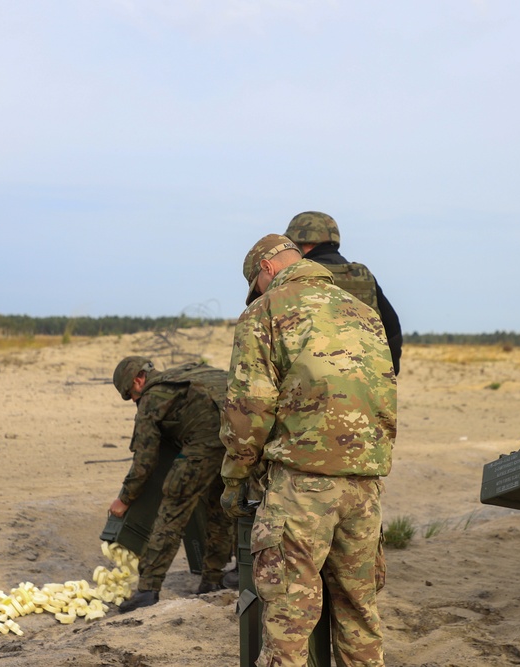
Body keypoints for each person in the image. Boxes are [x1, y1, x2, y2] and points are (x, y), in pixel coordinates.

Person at [220, 233, 397, 667]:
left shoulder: (265, 312)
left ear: (267, 269)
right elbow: (384, 397)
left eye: (257, 285)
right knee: (360, 614)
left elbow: (250, 410)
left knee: (288, 621)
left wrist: (234, 478)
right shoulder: (364, 313)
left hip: (301, 488)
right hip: (365, 486)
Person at [108, 356, 235, 612]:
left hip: (206, 442)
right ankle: (213, 578)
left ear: (138, 380)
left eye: (130, 394)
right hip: (239, 438)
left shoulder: (152, 398)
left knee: (173, 508)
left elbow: (144, 461)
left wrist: (124, 499)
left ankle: (148, 589)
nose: (134, 400)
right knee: (220, 506)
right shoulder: (184, 377)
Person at [284, 211, 403, 375]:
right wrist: (386, 374)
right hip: (365, 382)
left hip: (311, 386)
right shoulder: (362, 276)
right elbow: (392, 329)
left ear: (304, 243)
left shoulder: (296, 277)